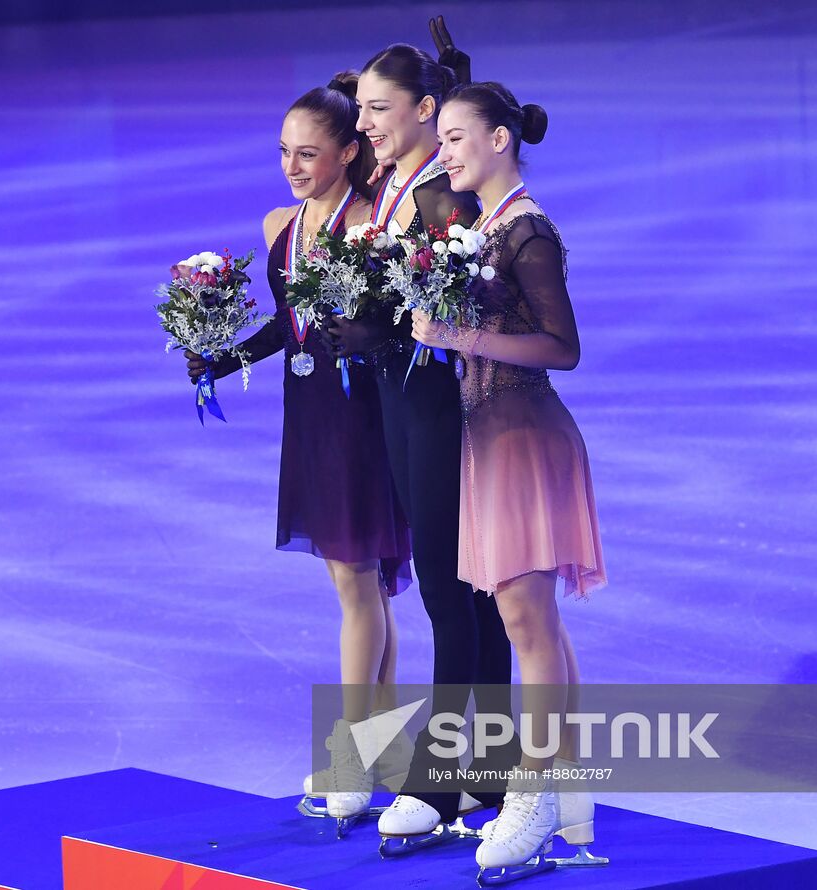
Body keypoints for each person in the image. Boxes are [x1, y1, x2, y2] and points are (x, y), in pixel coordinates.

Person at [184, 74, 412, 834]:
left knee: (357, 583)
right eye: (284, 151)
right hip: (310, 416)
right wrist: (219, 357)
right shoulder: (281, 224)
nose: (292, 165)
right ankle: (383, 750)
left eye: (309, 153)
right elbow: (290, 327)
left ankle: (353, 754)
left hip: (364, 418)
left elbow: (386, 327)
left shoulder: (372, 226)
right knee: (361, 587)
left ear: (349, 153)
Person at [323, 42, 517, 851]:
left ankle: (439, 786)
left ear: (423, 111)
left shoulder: (445, 197)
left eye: (377, 109)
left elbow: (463, 295)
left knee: (452, 584)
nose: (363, 123)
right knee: (461, 585)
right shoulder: (396, 184)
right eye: (362, 109)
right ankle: (494, 769)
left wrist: (380, 322)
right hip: (401, 399)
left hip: (441, 402)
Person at [412, 80, 608, 880]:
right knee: (536, 626)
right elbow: (424, 196)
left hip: (526, 436)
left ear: (500, 140)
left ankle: (529, 796)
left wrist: (462, 334)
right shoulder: (478, 223)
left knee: (527, 625)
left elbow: (564, 347)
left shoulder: (527, 232)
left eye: (458, 137)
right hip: (489, 438)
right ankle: (565, 792)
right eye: (444, 138)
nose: (445, 153)